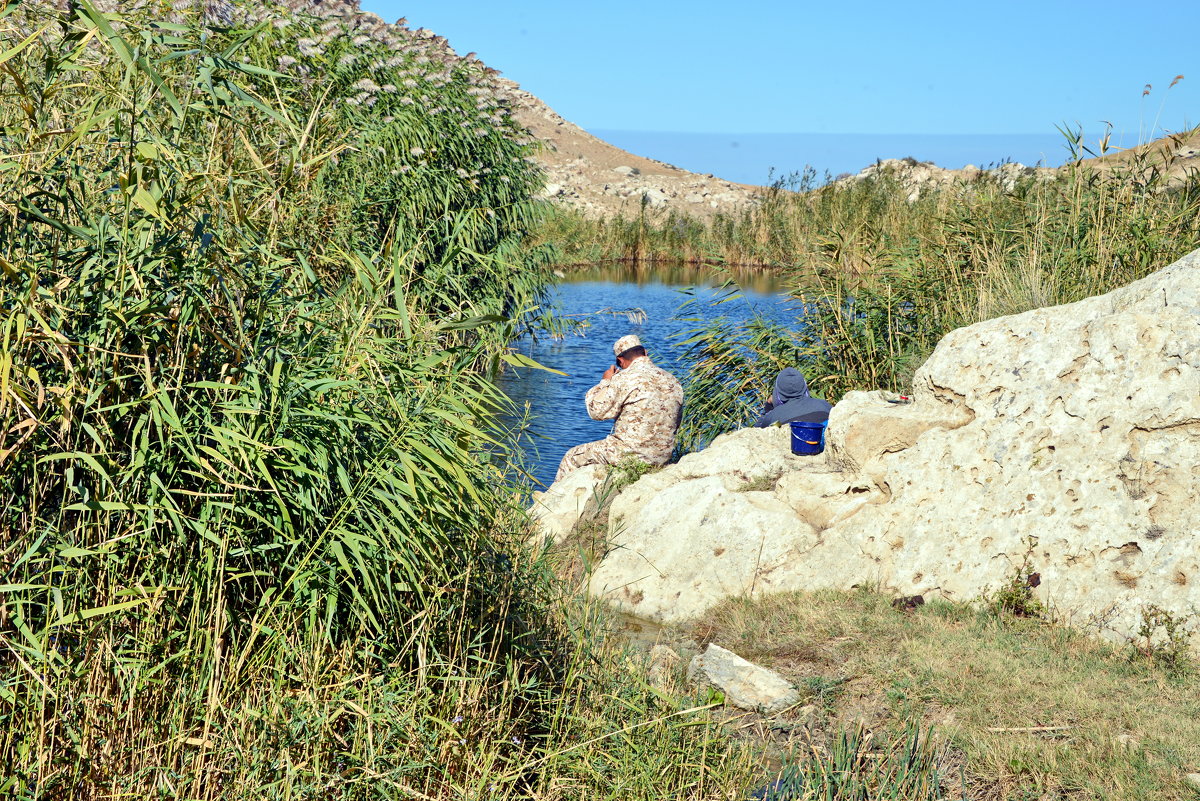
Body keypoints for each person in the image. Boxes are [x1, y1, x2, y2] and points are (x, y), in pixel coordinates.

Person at [555, 334, 684, 482]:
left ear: (620, 361)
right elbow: (676, 422)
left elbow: (596, 411)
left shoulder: (624, 378)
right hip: (662, 457)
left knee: (572, 457)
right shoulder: (673, 380)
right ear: (645, 353)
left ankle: (553, 500)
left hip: (628, 455)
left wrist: (605, 382)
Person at [754, 367, 831, 427]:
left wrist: (768, 406)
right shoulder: (824, 405)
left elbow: (756, 433)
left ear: (777, 393)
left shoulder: (772, 417)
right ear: (804, 387)